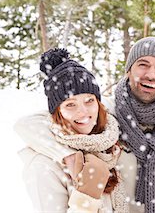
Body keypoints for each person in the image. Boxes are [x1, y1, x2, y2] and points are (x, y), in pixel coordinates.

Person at [15, 37, 155, 213]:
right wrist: (68, 155)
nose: (151, 75)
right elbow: (28, 124)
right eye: (143, 64)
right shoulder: (106, 113)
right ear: (128, 70)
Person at [18, 48, 128, 212]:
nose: (83, 112)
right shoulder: (43, 166)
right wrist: (87, 194)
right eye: (70, 104)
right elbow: (24, 123)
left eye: (89, 100)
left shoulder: (109, 145)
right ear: (57, 112)